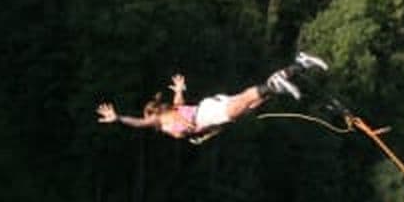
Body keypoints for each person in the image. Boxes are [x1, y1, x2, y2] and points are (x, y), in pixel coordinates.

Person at [96, 52, 328, 140]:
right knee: (258, 99)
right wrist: (178, 90)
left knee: (250, 97)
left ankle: (280, 82)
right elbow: (179, 104)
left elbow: (138, 123)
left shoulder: (160, 121)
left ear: (153, 114)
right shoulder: (173, 112)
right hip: (211, 109)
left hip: (210, 112)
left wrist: (118, 119)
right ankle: (299, 64)